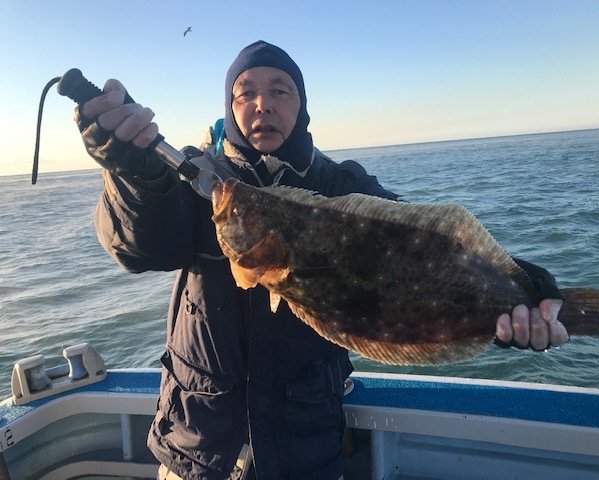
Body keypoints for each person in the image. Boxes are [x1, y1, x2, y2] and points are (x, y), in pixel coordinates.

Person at [75, 40, 568, 480]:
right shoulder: (188, 178)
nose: (262, 104)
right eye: (245, 92)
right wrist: (134, 175)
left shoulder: (342, 186)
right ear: (230, 106)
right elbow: (141, 248)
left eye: (280, 90)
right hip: (196, 450)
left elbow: (419, 246)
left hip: (305, 452)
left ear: (302, 105)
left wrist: (520, 287)